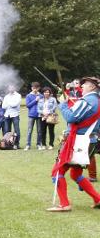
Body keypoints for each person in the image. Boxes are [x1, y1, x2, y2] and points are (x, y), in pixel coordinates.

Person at [47, 76, 100, 212]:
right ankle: (98, 199)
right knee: (75, 174)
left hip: (79, 142)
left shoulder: (88, 100)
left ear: (93, 87)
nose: (81, 86)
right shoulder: (95, 101)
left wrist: (63, 104)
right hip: (89, 141)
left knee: (57, 171)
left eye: (85, 84)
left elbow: (71, 117)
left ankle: (64, 204)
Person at [2, 85, 21, 149]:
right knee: (7, 131)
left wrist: (8, 103)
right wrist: (10, 103)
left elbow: (14, 105)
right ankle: (8, 144)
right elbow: (3, 106)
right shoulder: (6, 96)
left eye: (12, 87)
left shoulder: (18, 95)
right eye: (9, 88)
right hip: (7, 115)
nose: (11, 89)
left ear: (14, 88)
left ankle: (16, 144)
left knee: (16, 130)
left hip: (15, 115)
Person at [24, 82, 43, 150]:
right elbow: (28, 105)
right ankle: (28, 145)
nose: (35, 89)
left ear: (38, 88)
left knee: (39, 131)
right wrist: (35, 100)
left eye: (36, 88)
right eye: (33, 88)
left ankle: (39, 144)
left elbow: (43, 105)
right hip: (31, 115)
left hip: (39, 115)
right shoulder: (28, 96)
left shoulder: (41, 95)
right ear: (32, 88)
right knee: (29, 130)